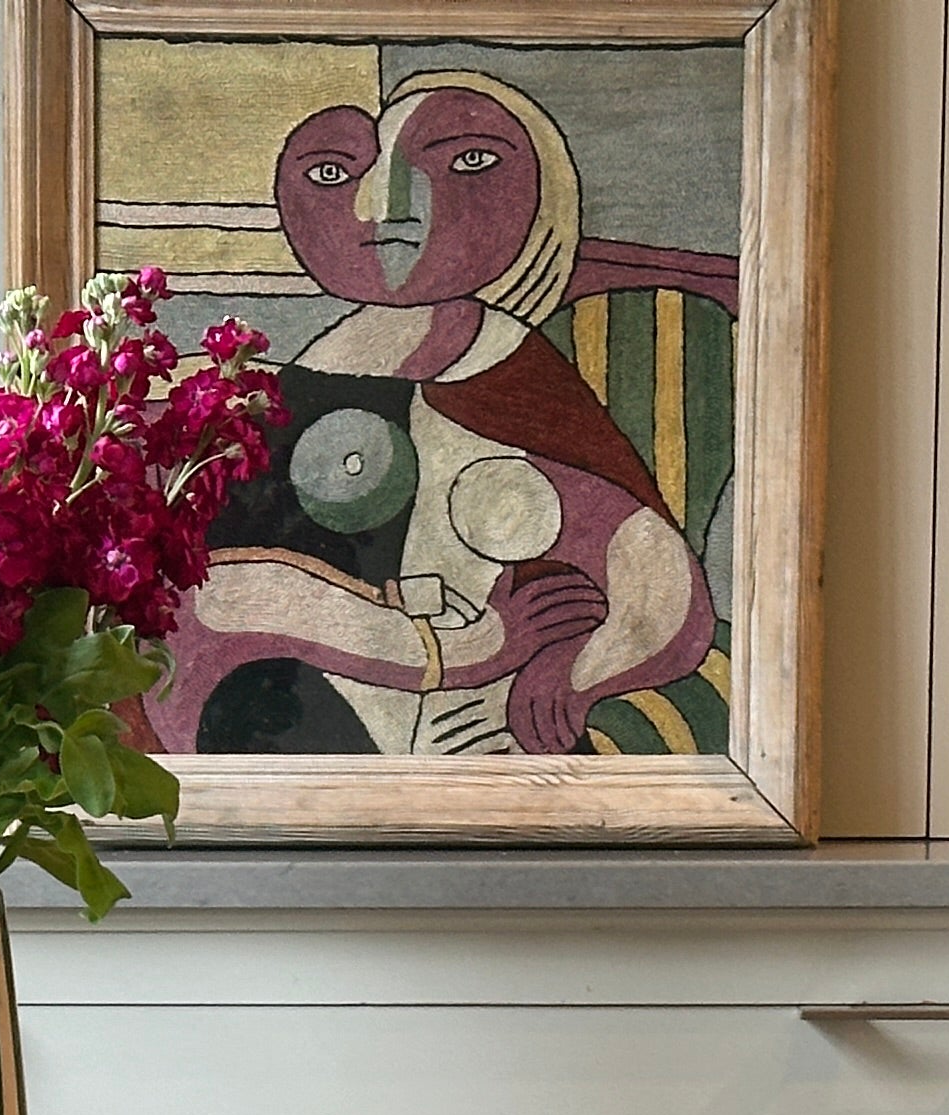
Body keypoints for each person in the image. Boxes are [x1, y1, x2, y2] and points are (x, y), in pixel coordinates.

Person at [151, 71, 721, 760]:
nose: (386, 208)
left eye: (468, 162)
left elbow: (651, 571)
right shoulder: (288, 385)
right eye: (333, 172)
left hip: (459, 748)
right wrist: (463, 649)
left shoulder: (507, 373)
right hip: (268, 724)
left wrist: (578, 673)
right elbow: (219, 598)